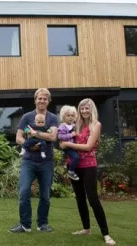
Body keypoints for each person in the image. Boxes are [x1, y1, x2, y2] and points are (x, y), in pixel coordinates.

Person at [60, 98, 116, 245]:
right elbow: (62, 139)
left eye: (87, 108)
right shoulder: (75, 125)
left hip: (89, 165)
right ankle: (86, 229)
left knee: (93, 199)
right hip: (73, 165)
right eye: (82, 108)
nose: (84, 111)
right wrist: (63, 141)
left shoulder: (96, 125)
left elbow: (88, 146)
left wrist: (67, 144)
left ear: (92, 109)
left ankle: (106, 234)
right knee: (79, 198)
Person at [8, 88, 58, 233]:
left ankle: (42, 224)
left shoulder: (53, 118)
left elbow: (53, 137)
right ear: (35, 100)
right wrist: (28, 145)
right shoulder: (26, 117)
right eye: (39, 98)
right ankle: (25, 225)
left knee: (45, 196)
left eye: (45, 98)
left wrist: (36, 134)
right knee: (24, 192)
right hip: (29, 161)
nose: (42, 101)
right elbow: (19, 137)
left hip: (46, 161)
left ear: (49, 101)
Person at [57, 105, 79, 181]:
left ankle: (73, 169)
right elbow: (60, 136)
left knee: (77, 157)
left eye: (72, 116)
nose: (70, 117)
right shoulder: (62, 126)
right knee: (76, 157)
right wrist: (70, 135)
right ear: (63, 116)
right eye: (68, 115)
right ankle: (71, 171)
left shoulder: (74, 125)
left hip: (73, 146)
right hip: (67, 147)